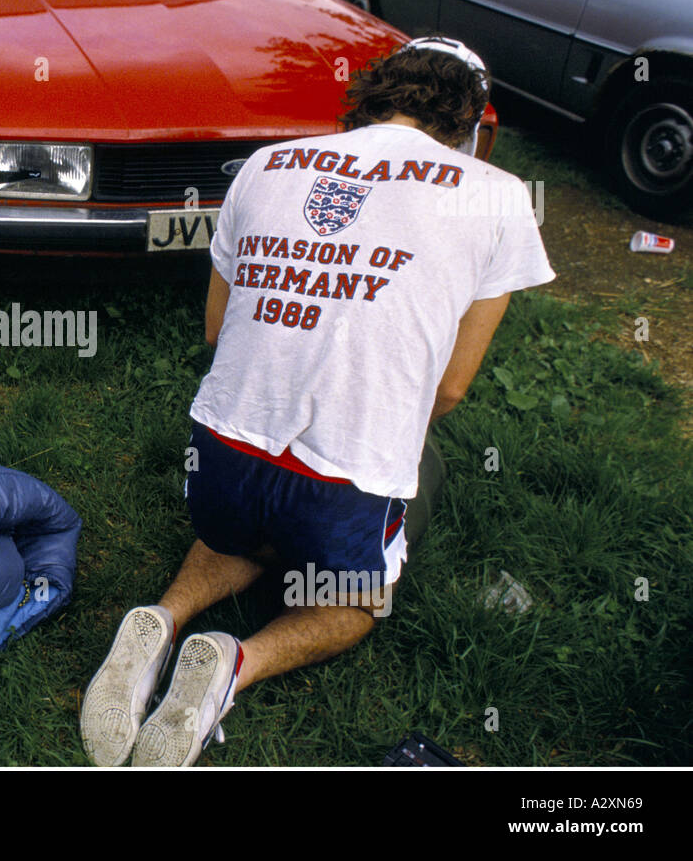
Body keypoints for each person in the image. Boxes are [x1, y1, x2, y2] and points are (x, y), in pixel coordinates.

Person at [79, 37, 556, 768]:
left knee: (237, 534)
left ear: (371, 96)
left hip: (224, 447)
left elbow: (216, 330)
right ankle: (236, 660)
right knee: (358, 601)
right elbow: (453, 387)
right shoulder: (498, 195)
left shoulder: (269, 163)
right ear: (470, 122)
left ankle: (161, 617)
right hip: (343, 477)